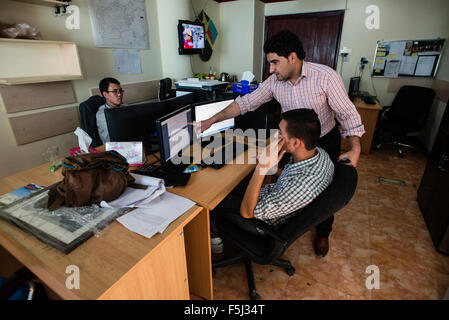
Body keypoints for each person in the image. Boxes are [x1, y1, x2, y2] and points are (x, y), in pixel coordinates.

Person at [201, 30, 365, 257]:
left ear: (293, 57)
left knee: (324, 194)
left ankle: (323, 233)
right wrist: (211, 120)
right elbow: (246, 103)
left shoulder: (325, 77)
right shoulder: (275, 82)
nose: (270, 69)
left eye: (274, 62)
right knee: (290, 178)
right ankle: (286, 213)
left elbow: (348, 114)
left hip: (324, 139)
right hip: (292, 140)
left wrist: (355, 147)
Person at [211, 109, 334, 239]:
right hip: (271, 199)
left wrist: (262, 167)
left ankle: (214, 237)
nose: (276, 136)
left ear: (296, 143)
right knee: (229, 185)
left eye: (280, 133)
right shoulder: (320, 154)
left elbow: (247, 213)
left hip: (261, 223)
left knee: (213, 200)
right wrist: (274, 169)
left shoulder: (301, 187)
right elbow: (291, 177)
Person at [96, 77, 124, 143]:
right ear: (105, 94)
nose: (119, 94)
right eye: (115, 91)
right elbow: (110, 140)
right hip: (115, 148)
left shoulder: (126, 107)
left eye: (120, 90)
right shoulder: (103, 114)